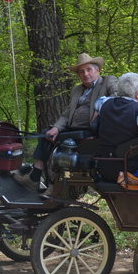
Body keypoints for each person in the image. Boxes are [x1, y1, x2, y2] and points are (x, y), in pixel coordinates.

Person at [13, 52, 117, 191]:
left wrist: (101, 106)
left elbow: (118, 95)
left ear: (98, 70)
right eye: (81, 71)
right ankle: (35, 177)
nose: (85, 74)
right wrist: (56, 128)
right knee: (46, 134)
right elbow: (67, 114)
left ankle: (54, 187)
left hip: (92, 130)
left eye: (89, 70)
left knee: (64, 145)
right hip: (72, 128)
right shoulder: (77, 90)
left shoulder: (108, 81)